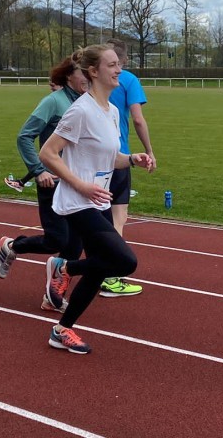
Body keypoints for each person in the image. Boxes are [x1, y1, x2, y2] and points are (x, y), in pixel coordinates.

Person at [38, 43, 153, 354]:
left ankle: (62, 329)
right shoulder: (81, 110)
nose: (119, 70)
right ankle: (65, 269)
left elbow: (109, 156)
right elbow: (48, 153)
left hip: (98, 198)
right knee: (124, 260)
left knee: (101, 266)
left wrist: (132, 159)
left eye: (119, 64)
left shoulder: (112, 111)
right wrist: (80, 185)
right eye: (112, 65)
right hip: (78, 200)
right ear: (93, 71)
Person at [0, 55, 89, 313]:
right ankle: (11, 246)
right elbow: (25, 136)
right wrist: (38, 170)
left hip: (78, 182)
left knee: (75, 244)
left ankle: (53, 296)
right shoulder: (53, 102)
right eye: (83, 73)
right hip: (52, 180)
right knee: (56, 239)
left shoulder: (88, 103)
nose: (87, 79)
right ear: (69, 75)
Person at [98, 38, 156, 298]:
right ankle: (110, 276)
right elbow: (138, 119)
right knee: (118, 217)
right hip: (118, 154)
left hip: (94, 156)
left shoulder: (94, 80)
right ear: (125, 60)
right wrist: (150, 151)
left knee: (94, 216)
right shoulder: (128, 79)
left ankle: (75, 265)